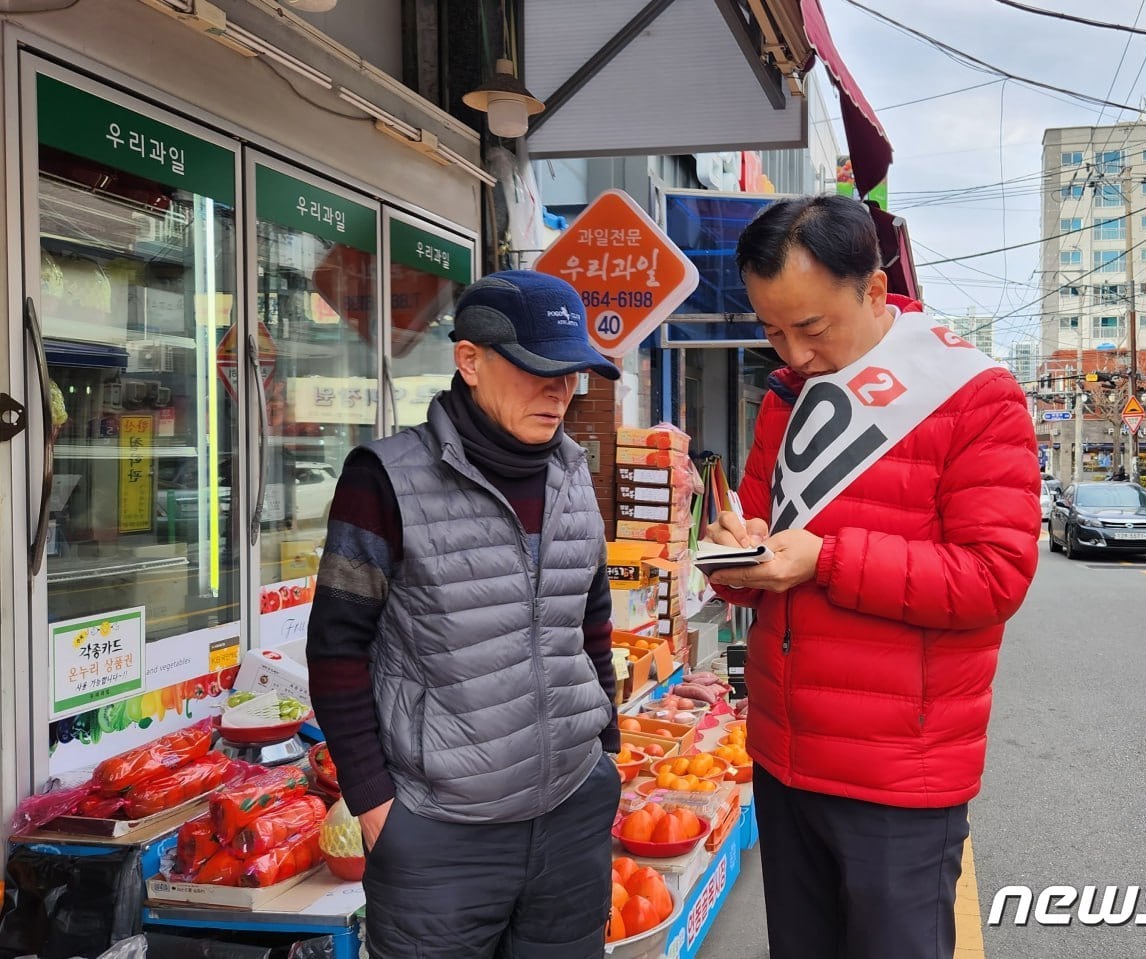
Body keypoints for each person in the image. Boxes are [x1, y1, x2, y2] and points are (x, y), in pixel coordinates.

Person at [703, 195, 1041, 959]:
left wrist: (827, 558)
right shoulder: (788, 398)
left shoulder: (973, 395)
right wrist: (732, 551)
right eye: (771, 330)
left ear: (876, 292)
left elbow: (994, 578)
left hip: (899, 776)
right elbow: (746, 556)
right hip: (783, 757)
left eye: (812, 327)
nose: (791, 353)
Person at [307, 270, 623, 959]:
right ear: (470, 360)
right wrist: (377, 808)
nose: (560, 389)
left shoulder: (575, 476)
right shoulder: (383, 478)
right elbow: (336, 650)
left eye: (571, 372)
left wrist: (607, 752)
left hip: (571, 818)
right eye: (538, 368)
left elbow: (590, 622)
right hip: (440, 835)